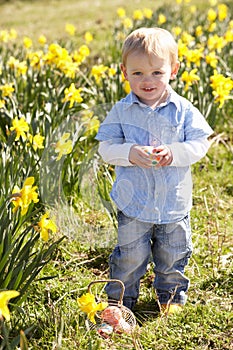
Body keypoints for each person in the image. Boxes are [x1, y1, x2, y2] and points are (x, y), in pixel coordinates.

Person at [95, 27, 213, 314]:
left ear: (173, 69)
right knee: (130, 256)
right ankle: (121, 301)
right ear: (124, 72)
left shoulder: (183, 110)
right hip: (134, 204)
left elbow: (200, 144)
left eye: (157, 73)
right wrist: (129, 153)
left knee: (173, 254)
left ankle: (170, 297)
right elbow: (105, 147)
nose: (147, 81)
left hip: (173, 203)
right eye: (138, 73)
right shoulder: (121, 111)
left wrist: (174, 153)